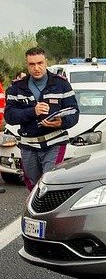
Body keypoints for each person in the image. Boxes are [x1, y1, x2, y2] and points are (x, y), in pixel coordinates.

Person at [4, 47, 79, 190]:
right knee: (33, 185)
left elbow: (74, 112)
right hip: (28, 144)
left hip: (55, 142)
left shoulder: (61, 84)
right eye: (32, 64)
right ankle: (36, 211)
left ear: (46, 62)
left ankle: (52, 212)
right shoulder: (16, 88)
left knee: (50, 181)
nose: (36, 68)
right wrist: (33, 111)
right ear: (27, 65)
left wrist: (61, 122)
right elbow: (10, 116)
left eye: (40, 63)